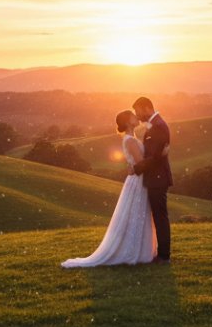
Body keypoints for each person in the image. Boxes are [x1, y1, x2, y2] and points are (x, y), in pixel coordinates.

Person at [60, 110, 157, 267]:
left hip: (137, 179)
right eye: (133, 116)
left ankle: (139, 249)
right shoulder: (130, 141)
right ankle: (135, 251)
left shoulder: (131, 139)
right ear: (127, 122)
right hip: (138, 180)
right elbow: (141, 163)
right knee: (137, 214)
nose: (136, 117)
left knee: (138, 214)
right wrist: (158, 156)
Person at [131, 96, 172, 262]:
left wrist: (136, 168)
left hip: (158, 179)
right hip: (155, 177)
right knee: (158, 216)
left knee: (160, 217)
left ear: (146, 108)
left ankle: (164, 255)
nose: (137, 115)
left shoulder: (158, 126)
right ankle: (160, 253)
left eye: (138, 111)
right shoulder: (155, 125)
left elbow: (155, 157)